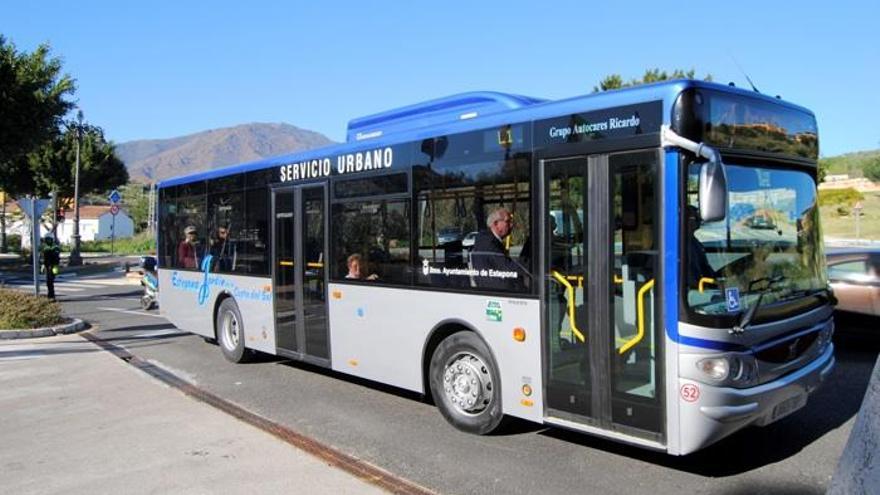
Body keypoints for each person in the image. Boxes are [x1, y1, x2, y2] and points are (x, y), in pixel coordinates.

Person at [471, 208, 530, 291]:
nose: (511, 225)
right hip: (497, 292)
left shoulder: (487, 239)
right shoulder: (489, 243)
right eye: (507, 221)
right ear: (496, 223)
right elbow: (509, 270)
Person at [41, 235, 61, 300]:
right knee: (48, 281)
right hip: (47, 265)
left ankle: (51, 295)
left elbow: (56, 256)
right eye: (47, 239)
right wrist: (43, 265)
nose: (47, 241)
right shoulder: (45, 247)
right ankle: (50, 294)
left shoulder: (54, 247)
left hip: (54, 265)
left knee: (50, 280)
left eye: (49, 239)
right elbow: (43, 257)